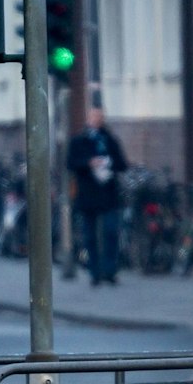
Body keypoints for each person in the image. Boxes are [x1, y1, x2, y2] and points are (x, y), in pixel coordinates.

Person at [66, 105, 128, 285]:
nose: (97, 120)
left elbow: (122, 164)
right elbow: (71, 163)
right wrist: (89, 163)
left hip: (108, 193)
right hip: (88, 194)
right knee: (90, 235)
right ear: (88, 119)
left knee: (111, 231)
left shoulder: (110, 140)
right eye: (94, 117)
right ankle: (94, 272)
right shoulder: (79, 141)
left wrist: (109, 163)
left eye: (100, 117)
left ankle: (110, 270)